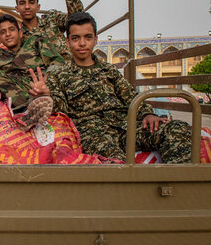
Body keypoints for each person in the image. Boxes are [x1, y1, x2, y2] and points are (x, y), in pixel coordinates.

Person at [30, 12, 190, 163]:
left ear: (95, 40)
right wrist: (46, 95)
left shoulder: (109, 70)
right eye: (75, 38)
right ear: (68, 42)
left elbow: (130, 97)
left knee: (176, 129)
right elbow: (61, 108)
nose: (82, 43)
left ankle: (178, 186)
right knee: (115, 161)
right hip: (92, 131)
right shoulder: (60, 74)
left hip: (125, 125)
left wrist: (148, 114)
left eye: (87, 37)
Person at [15, 0, 84, 60]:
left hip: (68, 71)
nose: (27, 7)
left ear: (38, 7)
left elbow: (77, 20)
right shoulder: (18, 36)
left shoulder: (52, 20)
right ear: (17, 9)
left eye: (31, 2)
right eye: (22, 3)